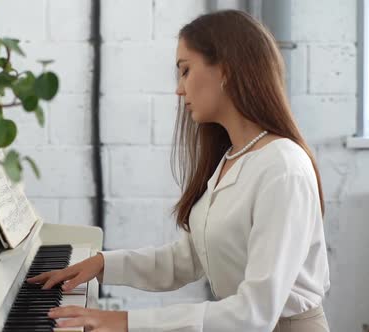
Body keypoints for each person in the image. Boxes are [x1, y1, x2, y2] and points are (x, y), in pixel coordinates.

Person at [26, 9, 330, 332]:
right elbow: (188, 259)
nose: (179, 89)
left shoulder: (283, 168)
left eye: (185, 71)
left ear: (225, 71)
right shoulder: (232, 158)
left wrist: (127, 322)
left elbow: (253, 313)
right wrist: (102, 264)